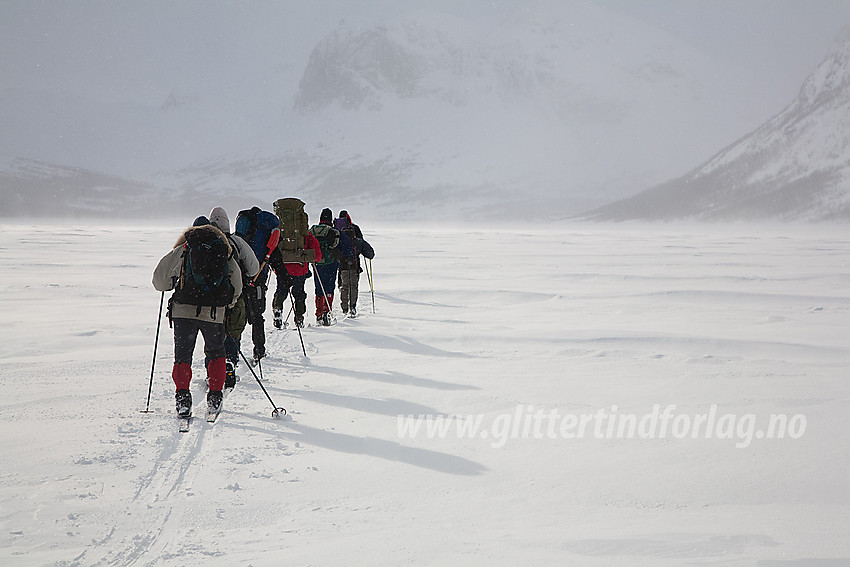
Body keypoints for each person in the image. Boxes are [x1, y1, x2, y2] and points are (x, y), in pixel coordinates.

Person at [152, 220, 242, 417]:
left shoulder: (185, 249)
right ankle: (215, 397)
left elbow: (159, 281)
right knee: (217, 353)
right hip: (214, 313)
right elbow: (237, 283)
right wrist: (227, 304)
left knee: (183, 356)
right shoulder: (222, 249)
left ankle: (183, 398)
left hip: (183, 312)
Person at [208, 207, 260, 388]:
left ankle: (212, 368)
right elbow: (254, 268)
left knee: (213, 335)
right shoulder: (236, 242)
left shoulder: (204, 243)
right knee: (233, 330)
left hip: (208, 299)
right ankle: (229, 363)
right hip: (235, 295)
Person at [270, 218, 322, 329]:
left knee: (281, 290)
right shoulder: (305, 234)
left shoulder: (280, 231)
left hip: (282, 267)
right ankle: (299, 318)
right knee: (299, 294)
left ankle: (277, 309)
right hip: (299, 269)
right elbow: (317, 256)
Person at [333, 210, 373, 317]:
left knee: (344, 286)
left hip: (342, 266)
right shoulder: (356, 235)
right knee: (353, 286)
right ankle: (352, 307)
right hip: (354, 265)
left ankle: (344, 307)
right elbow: (369, 252)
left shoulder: (337, 231)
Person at [309, 208, 341, 326]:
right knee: (329, 287)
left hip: (317, 263)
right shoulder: (332, 230)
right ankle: (327, 310)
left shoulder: (313, 230)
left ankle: (319, 313)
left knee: (318, 287)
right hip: (331, 263)